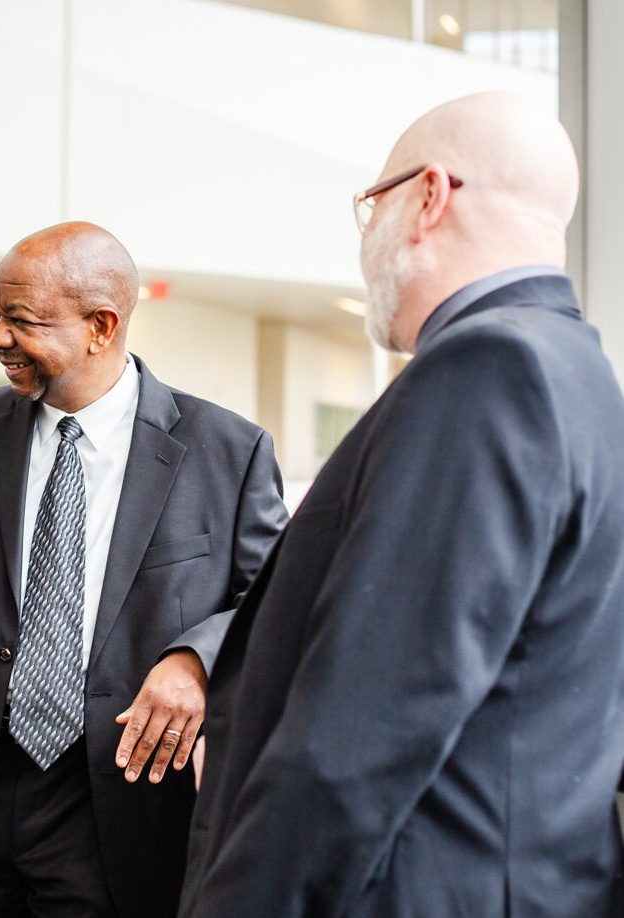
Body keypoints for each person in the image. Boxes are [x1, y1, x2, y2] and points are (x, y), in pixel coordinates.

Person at [179, 92, 624, 917]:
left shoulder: (488, 370)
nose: (365, 242)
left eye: (369, 206)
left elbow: (359, 734)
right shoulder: (584, 378)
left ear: (428, 196)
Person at [0, 221, 287, 917]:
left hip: (117, 812)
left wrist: (196, 659)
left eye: (20, 320)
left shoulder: (227, 450)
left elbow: (276, 605)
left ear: (102, 325)